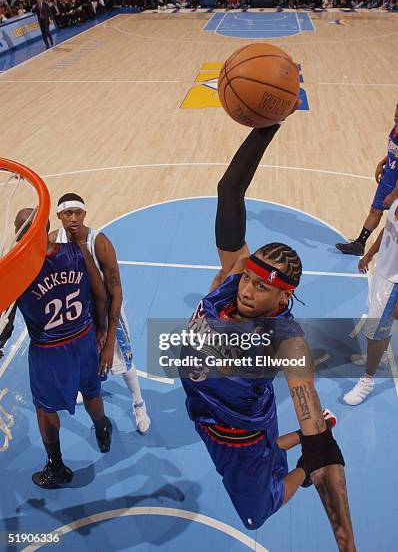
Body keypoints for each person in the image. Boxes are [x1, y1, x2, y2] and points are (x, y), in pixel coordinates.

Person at [179, 118, 356, 550]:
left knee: (259, 512)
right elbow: (229, 192)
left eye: (262, 287)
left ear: (282, 299)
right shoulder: (232, 279)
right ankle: (281, 449)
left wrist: (346, 543)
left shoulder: (285, 340)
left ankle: (291, 472)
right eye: (248, 278)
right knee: (272, 449)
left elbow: (323, 453)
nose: (247, 289)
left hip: (236, 439)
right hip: (202, 414)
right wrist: (268, 124)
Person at [0, 208, 112, 488]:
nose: (16, 234)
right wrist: (101, 331)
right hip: (83, 338)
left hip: (50, 351)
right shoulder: (76, 252)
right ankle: (102, 429)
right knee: (91, 390)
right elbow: (100, 296)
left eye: (18, 228)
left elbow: (7, 320)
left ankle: (57, 467)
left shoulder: (20, 269)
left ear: (27, 232)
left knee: (45, 409)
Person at [50, 193, 151, 434]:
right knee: (80, 360)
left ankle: (139, 403)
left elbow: (116, 290)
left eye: (78, 213)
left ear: (84, 214)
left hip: (107, 313)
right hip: (77, 314)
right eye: (67, 213)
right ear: (59, 216)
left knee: (123, 362)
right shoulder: (53, 240)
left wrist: (108, 336)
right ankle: (83, 387)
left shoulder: (100, 242)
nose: (73, 218)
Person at [344, 197, 398, 404]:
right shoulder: (395, 202)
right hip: (382, 274)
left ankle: (368, 381)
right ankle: (379, 357)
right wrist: (370, 254)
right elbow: (387, 229)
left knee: (374, 332)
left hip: (393, 283)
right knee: (379, 329)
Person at [336, 104, 398, 255]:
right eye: (397, 107)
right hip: (388, 178)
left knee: (394, 222)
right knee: (375, 211)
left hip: (395, 186)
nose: (397, 112)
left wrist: (394, 194)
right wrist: (382, 162)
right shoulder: (396, 126)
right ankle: (359, 244)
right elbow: (394, 151)